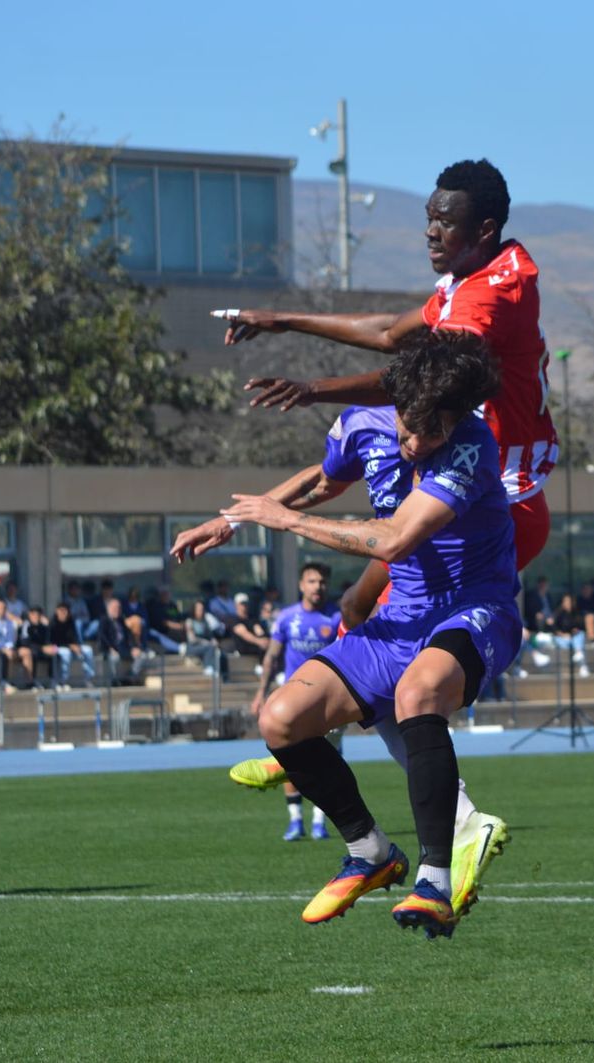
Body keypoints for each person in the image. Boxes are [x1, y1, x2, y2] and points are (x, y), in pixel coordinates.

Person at [216, 330, 520, 938]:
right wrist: (226, 520)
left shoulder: (471, 445)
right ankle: (371, 851)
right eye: (410, 427)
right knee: (280, 718)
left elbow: (395, 539)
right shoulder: (362, 426)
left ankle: (435, 879)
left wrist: (286, 521)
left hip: (474, 610)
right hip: (398, 618)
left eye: (433, 431)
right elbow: (322, 480)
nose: (417, 443)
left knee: (418, 693)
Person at [221, 158, 557, 626]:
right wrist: (284, 320)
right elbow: (389, 334)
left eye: (446, 222)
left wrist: (312, 390)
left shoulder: (486, 299)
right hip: (454, 486)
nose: (431, 232)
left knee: (398, 638)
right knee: (355, 608)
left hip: (496, 502)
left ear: (484, 230)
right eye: (429, 218)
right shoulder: (472, 279)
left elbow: (419, 382)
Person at [249, 563, 344, 842]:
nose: (318, 586)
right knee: (290, 759)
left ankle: (319, 821)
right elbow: (271, 656)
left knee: (327, 761)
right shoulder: (287, 618)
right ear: (302, 585)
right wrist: (260, 693)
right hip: (293, 700)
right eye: (312, 581)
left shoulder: (337, 617)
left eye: (322, 581)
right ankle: (295, 821)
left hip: (328, 701)